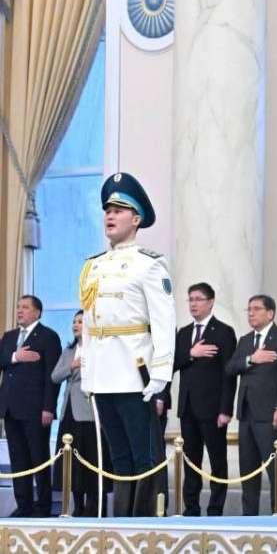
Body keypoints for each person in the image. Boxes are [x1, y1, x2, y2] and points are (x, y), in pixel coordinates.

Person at [78, 172, 175, 517]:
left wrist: (161, 375)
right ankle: (121, 521)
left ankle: (146, 524)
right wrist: (86, 369)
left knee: (144, 454)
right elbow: (90, 324)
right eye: (107, 209)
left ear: (136, 219)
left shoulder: (149, 264)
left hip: (136, 372)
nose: (110, 215)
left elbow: (164, 325)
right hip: (103, 372)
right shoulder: (93, 266)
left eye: (119, 209)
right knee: (118, 454)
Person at [171, 282, 238, 516]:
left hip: (213, 408)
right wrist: (191, 353)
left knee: (218, 461)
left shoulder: (223, 331)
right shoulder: (184, 333)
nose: (193, 304)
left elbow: (229, 374)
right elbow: (172, 363)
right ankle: (191, 508)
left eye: (198, 299)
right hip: (187, 407)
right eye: (190, 299)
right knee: (191, 462)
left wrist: (226, 409)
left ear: (210, 302)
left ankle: (216, 509)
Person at [225, 294, 277, 515]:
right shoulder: (245, 340)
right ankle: (249, 517)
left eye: (256, 309)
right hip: (246, 413)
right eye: (249, 309)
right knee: (248, 469)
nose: (251, 313)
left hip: (270, 414)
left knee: (274, 470)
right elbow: (230, 368)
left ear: (270, 313)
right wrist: (250, 359)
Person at [0, 294, 62, 517]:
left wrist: (49, 407)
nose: (19, 311)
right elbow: (2, 359)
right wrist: (15, 356)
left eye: (25, 307)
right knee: (18, 459)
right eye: (18, 307)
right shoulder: (9, 337)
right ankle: (23, 505)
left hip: (36, 409)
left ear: (37, 312)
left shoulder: (48, 337)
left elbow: (52, 377)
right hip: (10, 407)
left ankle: (43, 506)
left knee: (38, 457)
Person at [52, 310, 109, 516]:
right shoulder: (68, 350)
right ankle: (77, 506)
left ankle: (95, 506)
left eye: (80, 322)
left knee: (91, 460)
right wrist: (72, 365)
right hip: (69, 411)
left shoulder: (100, 349)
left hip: (90, 412)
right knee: (72, 462)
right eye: (74, 322)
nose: (75, 325)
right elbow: (55, 376)